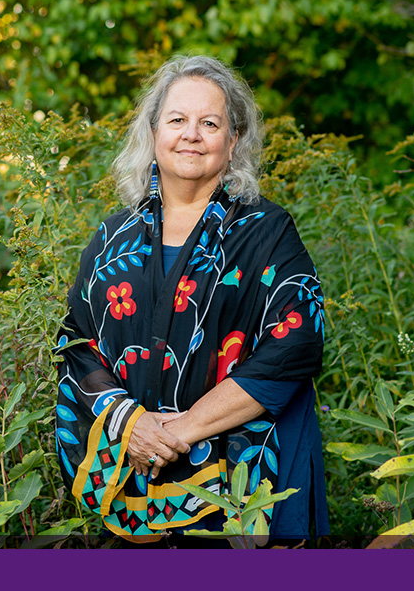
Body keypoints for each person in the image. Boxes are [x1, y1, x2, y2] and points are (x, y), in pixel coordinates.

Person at [55, 55, 328, 544]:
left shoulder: (267, 232)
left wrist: (181, 431)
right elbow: (76, 342)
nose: (192, 134)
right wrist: (131, 424)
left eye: (210, 123)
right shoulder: (113, 237)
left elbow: (297, 345)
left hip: (245, 482)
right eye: (177, 119)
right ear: (154, 130)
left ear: (234, 139)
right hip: (135, 468)